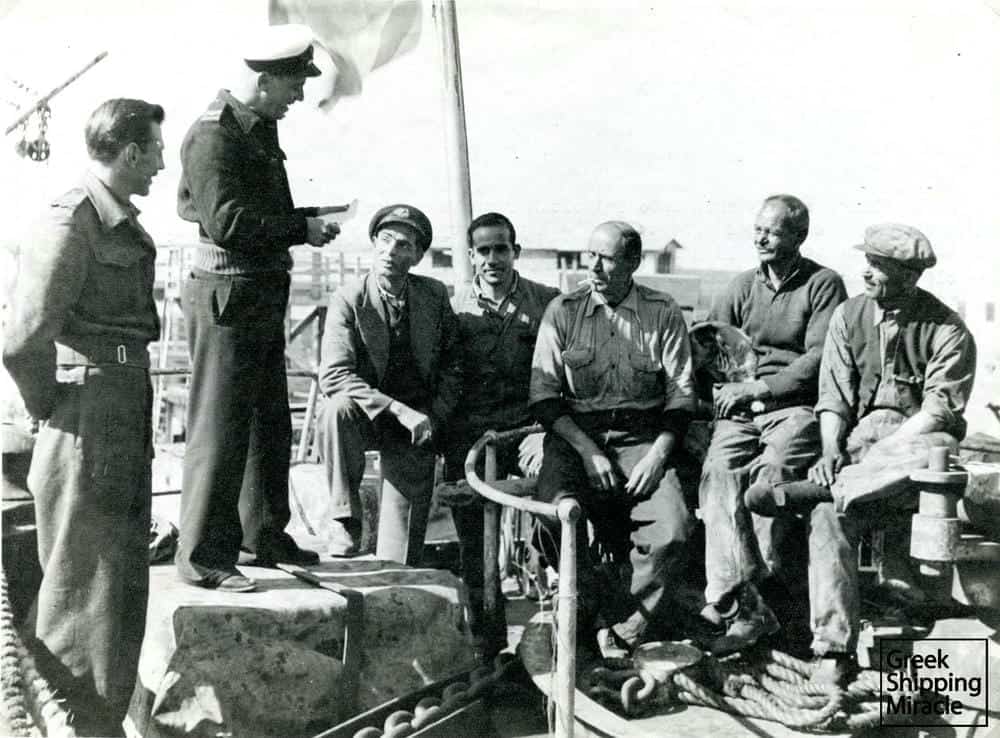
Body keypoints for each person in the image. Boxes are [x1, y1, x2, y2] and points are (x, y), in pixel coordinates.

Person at [746, 224, 976, 679]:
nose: (866, 273)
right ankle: (832, 649)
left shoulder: (948, 328)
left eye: (879, 267)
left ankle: (826, 490)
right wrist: (832, 448)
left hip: (914, 443)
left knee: (932, 452)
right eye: (867, 262)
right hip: (859, 442)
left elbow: (939, 410)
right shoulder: (848, 316)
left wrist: (882, 452)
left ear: (910, 276)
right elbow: (833, 396)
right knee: (828, 516)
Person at [3, 98, 165, 736]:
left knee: (118, 582)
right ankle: (73, 722)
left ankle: (101, 719)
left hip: (121, 400)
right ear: (130, 151)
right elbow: (23, 340)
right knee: (84, 584)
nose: (159, 164)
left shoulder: (116, 220)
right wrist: (55, 407)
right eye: (154, 150)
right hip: (91, 408)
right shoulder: (72, 219)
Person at [174, 25, 343, 592]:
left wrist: (304, 218)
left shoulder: (255, 128)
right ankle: (203, 557)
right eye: (294, 85)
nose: (299, 96)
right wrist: (301, 229)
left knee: (268, 422)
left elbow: (256, 209)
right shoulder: (213, 136)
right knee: (219, 429)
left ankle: (262, 535)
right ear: (266, 80)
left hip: (259, 292)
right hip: (228, 296)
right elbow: (228, 222)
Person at [529, 221, 697, 656]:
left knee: (673, 530)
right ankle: (589, 605)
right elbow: (543, 398)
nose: (594, 267)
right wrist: (588, 452)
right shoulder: (562, 311)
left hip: (641, 437)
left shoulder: (662, 312)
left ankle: (622, 627)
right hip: (575, 436)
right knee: (553, 515)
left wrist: (657, 457)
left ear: (633, 263)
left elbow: (681, 397)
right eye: (591, 256)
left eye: (606, 259)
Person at [698, 194, 847, 655]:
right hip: (740, 412)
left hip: (795, 408)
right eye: (758, 229)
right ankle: (733, 598)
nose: (761, 238)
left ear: (799, 236)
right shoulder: (741, 286)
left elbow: (819, 357)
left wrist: (760, 388)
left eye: (773, 231)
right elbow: (711, 343)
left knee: (770, 479)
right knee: (718, 472)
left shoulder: (823, 284)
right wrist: (722, 388)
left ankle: (764, 595)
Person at [441, 212, 560, 658]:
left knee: (557, 498)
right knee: (474, 544)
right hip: (472, 436)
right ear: (472, 256)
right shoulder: (453, 307)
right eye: (484, 251)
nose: (493, 259)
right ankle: (487, 642)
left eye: (501, 249)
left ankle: (556, 613)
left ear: (515, 251)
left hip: (528, 430)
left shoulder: (547, 302)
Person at [317, 204, 462, 565]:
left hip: (415, 428)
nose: (390, 251)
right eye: (384, 240)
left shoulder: (433, 295)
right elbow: (334, 374)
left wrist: (434, 419)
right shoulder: (350, 298)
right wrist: (396, 409)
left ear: (417, 256)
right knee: (336, 409)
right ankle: (344, 517)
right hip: (366, 417)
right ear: (373, 243)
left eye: (403, 245)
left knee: (398, 557)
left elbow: (453, 366)